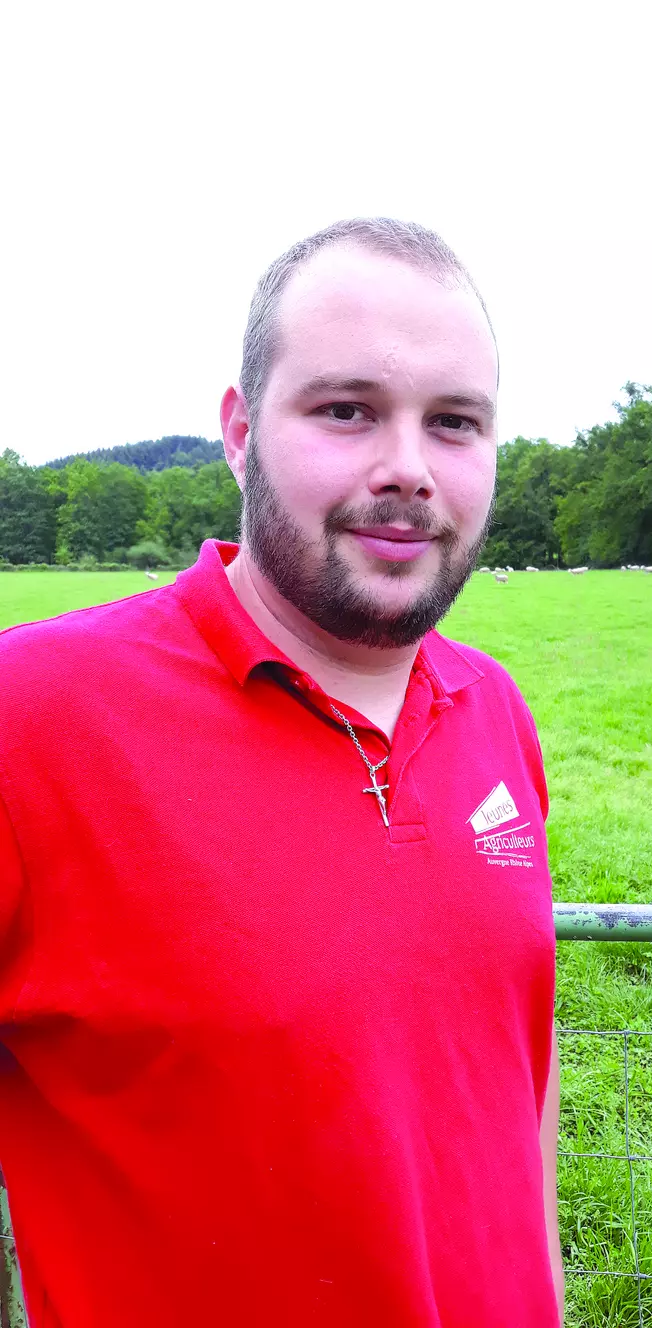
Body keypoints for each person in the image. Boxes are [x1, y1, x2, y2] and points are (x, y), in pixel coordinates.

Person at [0, 217, 563, 1326]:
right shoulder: (32, 715)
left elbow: (516, 1092)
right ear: (239, 430)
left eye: (454, 421)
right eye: (346, 409)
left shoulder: (495, 707)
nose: (407, 467)